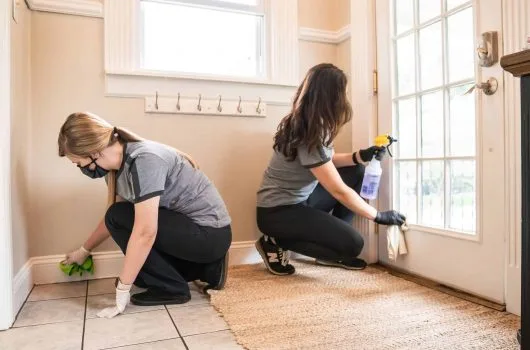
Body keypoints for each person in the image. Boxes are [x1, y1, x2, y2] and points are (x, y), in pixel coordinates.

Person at [59, 112, 232, 318]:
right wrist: (83, 250)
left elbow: (145, 231)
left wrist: (122, 290)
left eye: (78, 163)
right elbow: (115, 220)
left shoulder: (144, 160)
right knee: (141, 276)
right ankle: (208, 269)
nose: (81, 168)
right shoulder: (116, 169)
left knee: (123, 231)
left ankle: (174, 289)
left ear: (93, 152)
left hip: (209, 235)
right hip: (193, 235)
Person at [255, 63, 406, 276]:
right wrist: (379, 216)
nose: (346, 97)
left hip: (301, 201)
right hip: (278, 212)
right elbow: (338, 190)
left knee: (357, 173)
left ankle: (330, 246)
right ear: (331, 96)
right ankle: (274, 240)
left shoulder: (316, 124)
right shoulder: (308, 132)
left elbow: (325, 160)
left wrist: (360, 156)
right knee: (353, 245)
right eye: (343, 92)